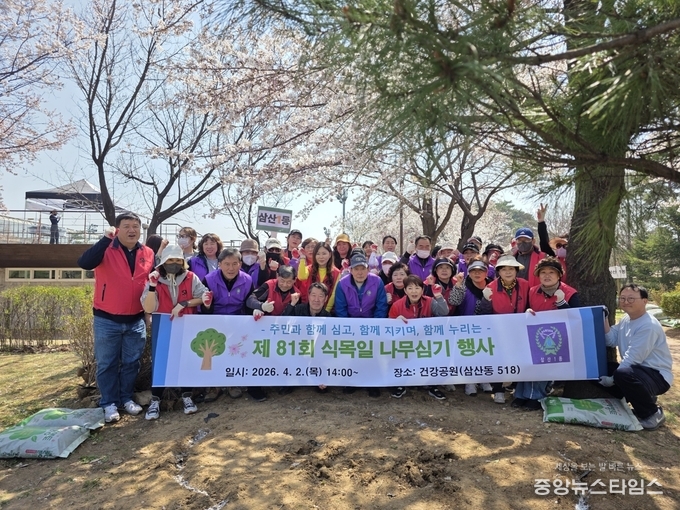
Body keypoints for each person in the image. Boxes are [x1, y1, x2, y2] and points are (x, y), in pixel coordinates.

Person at [77, 212, 155, 423]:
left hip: (136, 319)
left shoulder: (147, 252)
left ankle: (126, 398)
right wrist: (105, 239)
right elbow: (84, 262)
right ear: (118, 229)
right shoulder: (106, 248)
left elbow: (152, 282)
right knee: (107, 363)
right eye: (126, 226)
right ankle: (109, 403)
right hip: (106, 319)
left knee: (131, 363)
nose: (132, 230)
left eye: (135, 226)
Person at [141, 245, 210, 419]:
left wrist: (185, 303)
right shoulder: (155, 278)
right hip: (163, 325)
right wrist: (152, 287)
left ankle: (187, 396)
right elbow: (148, 307)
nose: (174, 263)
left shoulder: (190, 277)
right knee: (161, 362)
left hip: (186, 324)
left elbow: (203, 296)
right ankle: (155, 400)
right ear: (164, 261)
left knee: (185, 360)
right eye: (170, 259)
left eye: (178, 260)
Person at [601, 284, 673, 430]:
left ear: (644, 301)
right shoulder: (626, 319)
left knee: (622, 374)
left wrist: (612, 379)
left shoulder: (648, 325)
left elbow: (633, 358)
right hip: (637, 371)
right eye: (622, 298)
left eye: (631, 298)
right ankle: (639, 397)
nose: (626, 302)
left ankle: (652, 414)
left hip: (657, 376)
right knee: (602, 368)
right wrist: (604, 318)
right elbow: (611, 340)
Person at [518, 257, 579, 410]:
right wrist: (528, 311)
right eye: (543, 272)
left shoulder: (570, 293)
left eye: (551, 272)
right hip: (535, 335)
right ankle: (521, 394)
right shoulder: (533, 291)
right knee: (526, 359)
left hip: (560, 338)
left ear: (559, 275)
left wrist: (561, 303)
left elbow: (575, 318)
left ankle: (536, 396)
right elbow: (527, 309)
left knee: (543, 362)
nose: (547, 275)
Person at [201, 248, 255, 401]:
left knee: (234, 353)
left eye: (234, 264)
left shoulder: (248, 280)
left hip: (237, 319)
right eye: (227, 264)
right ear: (219, 264)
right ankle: (214, 386)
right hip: (214, 320)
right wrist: (207, 306)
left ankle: (232, 383)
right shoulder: (208, 279)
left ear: (240, 264)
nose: (231, 268)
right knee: (214, 354)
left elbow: (249, 303)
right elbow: (204, 307)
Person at [335, 252, 388, 397]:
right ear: (351, 270)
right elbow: (340, 308)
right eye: (356, 269)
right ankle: (352, 381)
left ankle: (372, 383)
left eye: (362, 268)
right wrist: (348, 328)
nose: (359, 272)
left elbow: (381, 305)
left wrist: (374, 326)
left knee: (371, 353)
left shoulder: (377, 281)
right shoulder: (342, 284)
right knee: (353, 354)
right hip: (351, 324)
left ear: (368, 269)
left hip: (371, 322)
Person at [388, 275, 449, 400]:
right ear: (405, 291)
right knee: (396, 355)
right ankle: (400, 384)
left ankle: (433, 386)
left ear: (422, 290)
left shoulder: (430, 302)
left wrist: (438, 296)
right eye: (410, 288)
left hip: (426, 342)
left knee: (439, 353)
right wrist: (396, 321)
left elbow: (444, 312)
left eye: (417, 288)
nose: (414, 291)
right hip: (405, 343)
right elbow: (389, 329)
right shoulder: (397, 305)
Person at [481, 255, 530, 404]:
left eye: (511, 269)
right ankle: (498, 389)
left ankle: (516, 388)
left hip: (519, 328)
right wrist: (485, 300)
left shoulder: (525, 285)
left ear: (516, 271)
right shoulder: (491, 287)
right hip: (498, 330)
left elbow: (529, 303)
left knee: (519, 358)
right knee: (498, 359)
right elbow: (483, 314)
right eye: (504, 269)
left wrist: (529, 310)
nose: (508, 272)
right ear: (498, 272)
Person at [247, 265, 300, 398]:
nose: (285, 285)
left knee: (283, 355)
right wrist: (261, 306)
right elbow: (250, 299)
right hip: (263, 327)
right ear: (277, 277)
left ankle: (282, 382)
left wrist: (292, 305)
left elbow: (292, 316)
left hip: (282, 330)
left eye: (289, 282)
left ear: (294, 281)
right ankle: (254, 388)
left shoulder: (296, 294)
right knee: (258, 356)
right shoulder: (269, 285)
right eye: (282, 281)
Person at [448, 258, 494, 397]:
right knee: (470, 353)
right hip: (467, 326)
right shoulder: (464, 285)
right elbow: (453, 301)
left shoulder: (493, 285)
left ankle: (484, 379)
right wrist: (458, 285)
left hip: (487, 326)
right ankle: (470, 381)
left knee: (485, 352)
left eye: (481, 270)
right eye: (474, 271)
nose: (477, 273)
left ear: (486, 272)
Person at [296, 241, 340, 309]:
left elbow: (334, 294)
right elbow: (301, 277)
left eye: (324, 253)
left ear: (330, 255)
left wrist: (327, 310)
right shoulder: (309, 269)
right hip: (310, 309)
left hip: (327, 310)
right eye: (318, 254)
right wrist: (302, 258)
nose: (321, 257)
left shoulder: (337, 272)